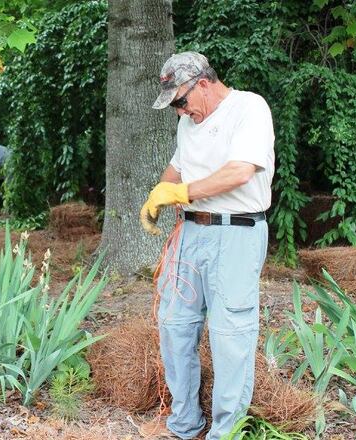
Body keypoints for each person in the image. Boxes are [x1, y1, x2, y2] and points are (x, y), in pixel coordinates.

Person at [138, 52, 275, 439]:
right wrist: (158, 194)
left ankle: (225, 433)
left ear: (203, 83)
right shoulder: (189, 122)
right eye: (174, 107)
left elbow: (240, 170)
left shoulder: (249, 108)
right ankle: (185, 425)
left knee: (230, 335)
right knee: (174, 325)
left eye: (180, 101)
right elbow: (179, 168)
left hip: (237, 233)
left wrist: (181, 192)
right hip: (190, 233)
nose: (180, 112)